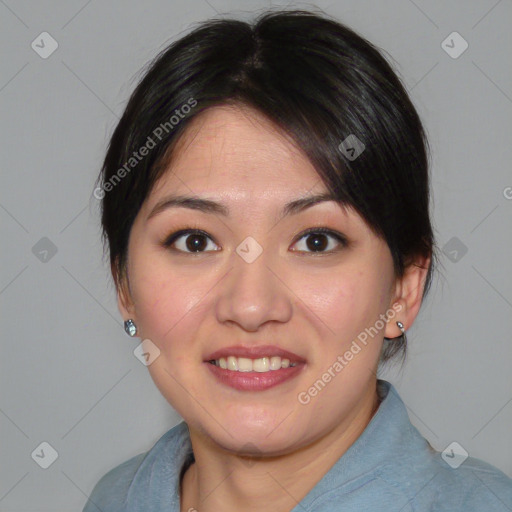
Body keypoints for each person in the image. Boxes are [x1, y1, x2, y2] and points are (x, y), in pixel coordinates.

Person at [83, 8, 512, 512]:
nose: (250, 306)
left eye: (316, 241)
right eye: (195, 241)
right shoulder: (114, 499)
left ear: (404, 287)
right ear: (124, 286)